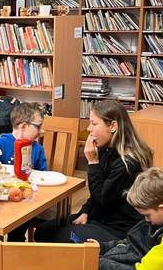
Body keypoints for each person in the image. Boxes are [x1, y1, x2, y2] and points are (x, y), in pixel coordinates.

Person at [34, 99, 153, 244]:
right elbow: (97, 193)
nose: (89, 128)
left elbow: (103, 200)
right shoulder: (106, 148)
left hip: (119, 228)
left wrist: (92, 163)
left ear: (113, 126)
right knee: (43, 230)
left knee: (53, 237)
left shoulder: (128, 162)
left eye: (94, 124)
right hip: (101, 216)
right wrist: (85, 211)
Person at [0, 102, 47, 270]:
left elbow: (44, 175)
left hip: (22, 203)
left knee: (17, 232)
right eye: (38, 126)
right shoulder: (1, 142)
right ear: (23, 126)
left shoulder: (37, 149)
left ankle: (14, 268)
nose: (41, 131)